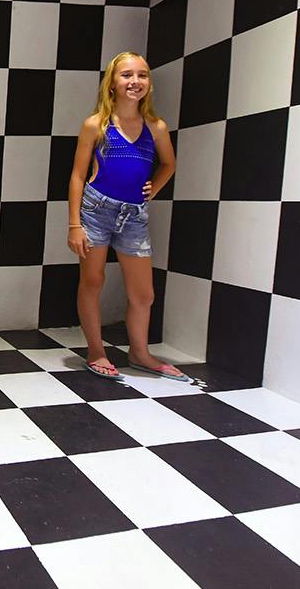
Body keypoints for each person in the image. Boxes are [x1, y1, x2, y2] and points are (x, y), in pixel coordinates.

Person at [66, 51, 190, 382]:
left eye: (142, 75)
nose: (135, 81)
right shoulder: (96, 125)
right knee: (93, 281)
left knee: (143, 294)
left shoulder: (156, 127)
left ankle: (139, 353)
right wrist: (75, 224)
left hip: (134, 215)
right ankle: (96, 351)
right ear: (112, 83)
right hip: (96, 210)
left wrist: (153, 188)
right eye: (127, 75)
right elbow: (77, 176)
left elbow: (169, 164)